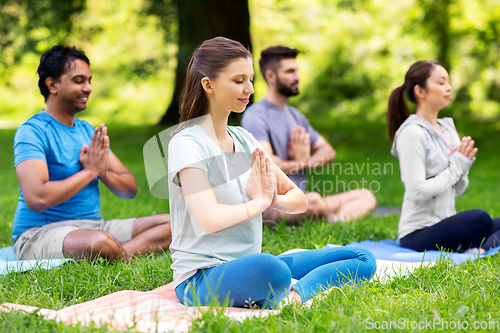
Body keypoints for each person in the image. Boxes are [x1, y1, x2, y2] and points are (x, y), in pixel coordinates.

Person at [168, 37, 376, 309]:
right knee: (272, 269)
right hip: (201, 278)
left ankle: (295, 296)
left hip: (250, 265)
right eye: (239, 80)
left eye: (251, 79)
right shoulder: (187, 143)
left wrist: (272, 198)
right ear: (208, 85)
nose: (250, 89)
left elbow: (298, 199)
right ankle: (279, 287)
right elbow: (211, 219)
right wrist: (261, 202)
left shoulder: (244, 139)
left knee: (362, 257)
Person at [12, 45, 171, 261]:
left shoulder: (87, 130)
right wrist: (90, 171)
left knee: (177, 223)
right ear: (52, 84)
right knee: (100, 242)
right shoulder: (32, 131)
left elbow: (130, 188)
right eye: (79, 81)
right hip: (40, 234)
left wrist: (102, 172)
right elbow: (37, 198)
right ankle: (122, 251)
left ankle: (121, 253)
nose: (88, 88)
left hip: (95, 226)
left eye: (89, 80)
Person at [242, 46, 377, 224]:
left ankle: (335, 221)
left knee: (365, 196)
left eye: (296, 71)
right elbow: (266, 163)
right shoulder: (256, 115)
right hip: (271, 205)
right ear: (270, 76)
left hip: (301, 201)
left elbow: (328, 152)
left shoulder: (295, 115)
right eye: (290, 71)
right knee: (313, 201)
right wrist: (299, 163)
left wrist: (303, 161)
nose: (297, 77)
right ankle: (326, 216)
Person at [387, 60, 500, 252]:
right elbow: (417, 191)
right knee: (479, 218)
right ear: (420, 91)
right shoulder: (412, 133)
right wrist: (457, 166)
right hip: (418, 234)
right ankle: (475, 247)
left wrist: (463, 167)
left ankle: (479, 248)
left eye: (448, 82)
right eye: (440, 83)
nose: (448, 87)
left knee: (487, 221)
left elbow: (457, 190)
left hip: (446, 224)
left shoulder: (447, 128)